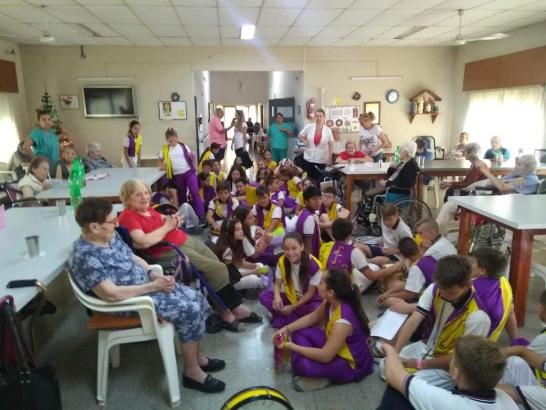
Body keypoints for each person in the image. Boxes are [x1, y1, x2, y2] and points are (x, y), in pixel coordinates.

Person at [69, 198, 226, 394]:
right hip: (128, 302)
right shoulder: (85, 256)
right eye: (112, 221)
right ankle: (192, 373)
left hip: (146, 287)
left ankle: (197, 358)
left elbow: (132, 257)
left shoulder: (109, 237)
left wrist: (152, 273)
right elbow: (111, 294)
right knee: (189, 310)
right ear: (94, 227)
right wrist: (152, 286)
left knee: (196, 296)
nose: (117, 224)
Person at [117, 179, 260, 332]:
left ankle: (227, 304)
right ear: (127, 197)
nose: (145, 197)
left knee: (220, 265)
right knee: (217, 270)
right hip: (169, 251)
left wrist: (174, 220)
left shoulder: (148, 209)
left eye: (146, 193)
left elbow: (164, 219)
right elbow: (143, 242)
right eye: (138, 194)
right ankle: (228, 311)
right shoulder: (128, 216)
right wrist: (167, 227)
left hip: (184, 240)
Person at [380, 255, 492, 390]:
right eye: (441, 288)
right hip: (425, 347)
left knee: (409, 383)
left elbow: (461, 359)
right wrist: (395, 354)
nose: (443, 295)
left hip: (449, 366)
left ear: (467, 285)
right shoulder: (435, 288)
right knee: (385, 365)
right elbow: (413, 321)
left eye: (450, 292)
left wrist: (417, 364)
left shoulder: (478, 317)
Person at [273, 269, 374, 391]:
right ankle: (315, 366)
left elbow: (325, 356)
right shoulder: (331, 301)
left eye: (321, 283)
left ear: (330, 292)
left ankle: (322, 377)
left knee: (302, 365)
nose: (317, 285)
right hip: (332, 347)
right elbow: (312, 317)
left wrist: (291, 346)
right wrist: (286, 329)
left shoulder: (343, 321)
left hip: (351, 364)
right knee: (298, 332)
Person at [379, 335, 518, 410]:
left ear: (456, 373)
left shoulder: (449, 403)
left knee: (398, 393)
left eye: (453, 359)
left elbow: (393, 374)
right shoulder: (506, 400)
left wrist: (389, 349)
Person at [381, 218, 456, 312]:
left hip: (439, 293)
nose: (419, 237)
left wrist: (388, 294)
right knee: (401, 284)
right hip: (444, 285)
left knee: (390, 296)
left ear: (432, 232)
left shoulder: (431, 252)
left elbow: (409, 294)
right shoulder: (445, 242)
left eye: (421, 233)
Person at [259, 233, 322, 328]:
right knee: (264, 296)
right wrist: (277, 297)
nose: (290, 253)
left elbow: (310, 293)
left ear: (301, 247)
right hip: (290, 298)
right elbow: (277, 284)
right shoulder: (282, 261)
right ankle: (293, 318)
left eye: (294, 248)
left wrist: (293, 307)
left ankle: (284, 316)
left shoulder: (313, 265)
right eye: (286, 249)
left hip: (307, 301)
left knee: (316, 309)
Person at [320, 218, 400, 293]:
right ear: (350, 234)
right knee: (377, 266)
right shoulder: (353, 251)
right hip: (344, 292)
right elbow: (372, 276)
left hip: (326, 287)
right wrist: (395, 266)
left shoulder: (324, 246)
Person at [470, 247, 517, 342]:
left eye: (471, 262)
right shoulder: (504, 282)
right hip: (492, 337)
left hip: (471, 339)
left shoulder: (471, 287)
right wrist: (515, 340)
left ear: (482, 271)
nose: (467, 264)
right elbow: (510, 311)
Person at [158, 128, 205, 222]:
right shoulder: (165, 149)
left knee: (194, 192)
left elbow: (192, 157)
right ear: (167, 140)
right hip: (177, 175)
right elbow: (160, 159)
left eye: (174, 138)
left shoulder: (183, 146)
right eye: (170, 139)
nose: (173, 141)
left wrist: (195, 168)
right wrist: (162, 166)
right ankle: (185, 217)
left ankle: (201, 214)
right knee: (182, 195)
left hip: (189, 172)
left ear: (177, 137)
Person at [215, 218, 269, 294]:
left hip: (234, 272)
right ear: (228, 233)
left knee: (259, 265)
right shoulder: (228, 250)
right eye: (237, 230)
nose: (241, 232)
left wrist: (255, 267)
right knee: (255, 279)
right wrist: (254, 271)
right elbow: (232, 275)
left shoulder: (235, 242)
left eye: (241, 228)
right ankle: (269, 288)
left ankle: (264, 281)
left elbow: (240, 263)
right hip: (227, 282)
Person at [298, 108, 333, 183]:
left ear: (324, 118)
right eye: (317, 116)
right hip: (309, 158)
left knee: (320, 180)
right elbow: (300, 135)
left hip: (322, 159)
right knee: (309, 179)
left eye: (321, 116)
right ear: (315, 117)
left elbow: (331, 145)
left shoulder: (328, 130)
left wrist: (330, 158)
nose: (319, 118)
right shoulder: (309, 127)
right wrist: (305, 142)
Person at [23, 110, 59, 175]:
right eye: (44, 120)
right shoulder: (36, 132)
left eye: (49, 119)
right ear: (39, 121)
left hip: (54, 166)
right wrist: (36, 158)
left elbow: (55, 149)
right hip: (42, 168)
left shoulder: (52, 132)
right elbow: (25, 147)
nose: (47, 122)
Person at [296, 186, 322, 257]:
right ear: (306, 201)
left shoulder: (302, 212)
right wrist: (311, 261)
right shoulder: (309, 218)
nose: (318, 202)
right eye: (314, 199)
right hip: (308, 257)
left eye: (320, 198)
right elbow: (308, 245)